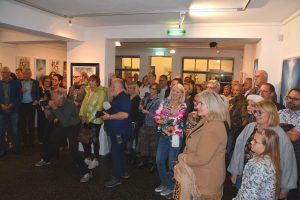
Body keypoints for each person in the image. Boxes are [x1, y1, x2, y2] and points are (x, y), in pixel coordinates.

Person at [228, 100, 297, 199]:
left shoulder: (279, 134)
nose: (256, 115)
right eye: (255, 111)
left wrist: (285, 187)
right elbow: (238, 150)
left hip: (267, 180)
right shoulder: (250, 127)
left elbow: (288, 161)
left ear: (271, 114)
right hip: (245, 172)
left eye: (260, 112)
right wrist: (235, 171)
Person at [174, 91, 228, 199]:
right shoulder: (206, 120)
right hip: (201, 175)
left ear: (212, 106)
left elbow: (200, 159)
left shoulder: (213, 129)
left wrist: (181, 157)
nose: (197, 106)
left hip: (206, 181)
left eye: (201, 104)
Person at [34, 90, 92, 182]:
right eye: (52, 99)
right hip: (65, 124)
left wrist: (54, 107)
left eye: (54, 99)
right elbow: (49, 118)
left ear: (60, 99)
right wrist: (46, 108)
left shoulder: (69, 105)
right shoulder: (57, 104)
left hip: (73, 126)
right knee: (52, 140)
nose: (52, 101)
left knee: (73, 150)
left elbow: (65, 122)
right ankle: (46, 159)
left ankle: (87, 172)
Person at [153, 84, 187, 196]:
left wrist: (163, 119)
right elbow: (156, 116)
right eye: (173, 91)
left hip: (176, 137)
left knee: (172, 163)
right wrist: (164, 119)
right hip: (164, 135)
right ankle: (165, 183)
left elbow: (176, 120)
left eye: (178, 92)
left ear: (182, 94)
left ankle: (171, 186)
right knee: (159, 160)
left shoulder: (183, 105)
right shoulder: (164, 102)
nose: (175, 93)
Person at [233, 129, 281, 200]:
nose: (251, 142)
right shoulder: (270, 159)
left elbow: (249, 196)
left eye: (256, 141)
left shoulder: (259, 166)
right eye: (253, 139)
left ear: (267, 146)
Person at [102, 78, 132, 188]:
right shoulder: (118, 98)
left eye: (112, 86)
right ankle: (123, 172)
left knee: (115, 154)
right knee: (120, 153)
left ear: (118, 87)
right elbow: (117, 111)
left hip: (120, 132)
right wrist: (108, 112)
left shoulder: (123, 98)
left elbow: (125, 114)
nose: (110, 88)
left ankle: (116, 178)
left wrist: (109, 116)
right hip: (117, 131)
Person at [79, 75, 107, 169]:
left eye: (93, 81)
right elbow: (83, 104)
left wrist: (89, 119)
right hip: (85, 118)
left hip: (96, 120)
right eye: (90, 81)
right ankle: (87, 157)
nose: (91, 83)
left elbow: (98, 108)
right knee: (85, 138)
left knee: (95, 140)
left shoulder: (101, 92)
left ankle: (96, 159)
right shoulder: (88, 90)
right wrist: (82, 115)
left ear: (97, 82)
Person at [278, 88, 300, 200]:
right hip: (277, 156)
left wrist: (277, 129)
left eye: (295, 99)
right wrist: (288, 130)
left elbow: (294, 137)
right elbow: (267, 130)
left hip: (295, 159)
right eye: (289, 97)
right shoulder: (280, 113)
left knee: (291, 193)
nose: (291, 100)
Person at [137, 83, 161, 172]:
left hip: (153, 125)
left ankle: (153, 164)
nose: (151, 90)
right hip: (145, 123)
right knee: (144, 143)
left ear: (157, 91)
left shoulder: (159, 101)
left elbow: (158, 116)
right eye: (151, 88)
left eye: (154, 89)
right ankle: (144, 161)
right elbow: (141, 108)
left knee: (153, 146)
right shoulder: (146, 98)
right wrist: (141, 108)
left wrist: (146, 112)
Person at [0, 67, 22, 155]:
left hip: (13, 110)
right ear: (1, 73)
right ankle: (1, 149)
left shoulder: (16, 83)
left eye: (6, 72)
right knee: (1, 131)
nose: (4, 74)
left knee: (15, 130)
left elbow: (19, 96)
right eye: (3, 72)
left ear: (10, 73)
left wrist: (12, 104)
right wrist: (1, 105)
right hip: (1, 111)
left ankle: (16, 149)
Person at [19, 67, 39, 148]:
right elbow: (16, 93)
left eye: (26, 74)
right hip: (22, 105)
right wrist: (20, 91)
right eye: (24, 74)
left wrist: (36, 100)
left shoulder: (35, 82)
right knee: (22, 124)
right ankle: (25, 142)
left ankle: (31, 142)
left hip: (31, 104)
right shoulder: (19, 82)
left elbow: (38, 93)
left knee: (31, 124)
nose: (25, 75)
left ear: (30, 74)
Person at [37, 75, 52, 144]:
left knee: (48, 124)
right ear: (43, 82)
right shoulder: (40, 88)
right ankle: (41, 139)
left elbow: (51, 99)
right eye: (46, 81)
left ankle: (48, 138)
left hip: (49, 109)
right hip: (41, 109)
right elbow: (38, 98)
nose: (47, 83)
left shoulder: (51, 89)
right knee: (41, 124)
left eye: (49, 82)